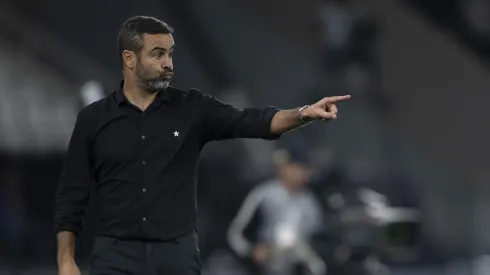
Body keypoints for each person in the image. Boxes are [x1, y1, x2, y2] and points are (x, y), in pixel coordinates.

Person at [54, 15, 350, 275]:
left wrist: (302, 114)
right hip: (115, 255)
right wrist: (66, 260)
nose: (168, 63)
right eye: (158, 54)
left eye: (170, 54)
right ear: (129, 58)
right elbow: (72, 195)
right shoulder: (94, 118)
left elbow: (253, 121)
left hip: (176, 255)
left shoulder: (192, 108)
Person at [227, 148, 326, 275]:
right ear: (282, 168)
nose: (300, 174)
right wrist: (252, 250)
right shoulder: (263, 194)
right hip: (265, 264)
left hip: (298, 264)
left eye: (303, 170)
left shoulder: (310, 202)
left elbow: (318, 234)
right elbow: (235, 234)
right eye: (296, 168)